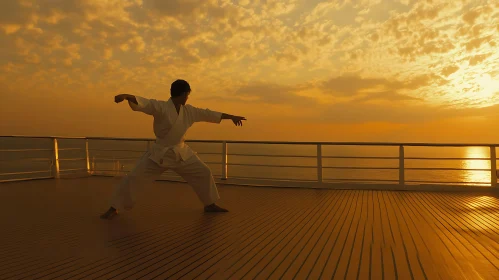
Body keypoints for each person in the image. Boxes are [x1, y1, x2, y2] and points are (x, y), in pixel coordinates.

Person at [100, 79, 246, 219]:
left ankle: (210, 204)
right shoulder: (161, 107)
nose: (188, 97)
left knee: (203, 172)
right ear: (183, 94)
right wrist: (126, 96)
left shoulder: (189, 111)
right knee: (134, 178)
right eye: (188, 94)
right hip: (159, 154)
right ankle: (114, 208)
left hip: (181, 153)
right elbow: (145, 103)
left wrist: (231, 116)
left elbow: (208, 113)